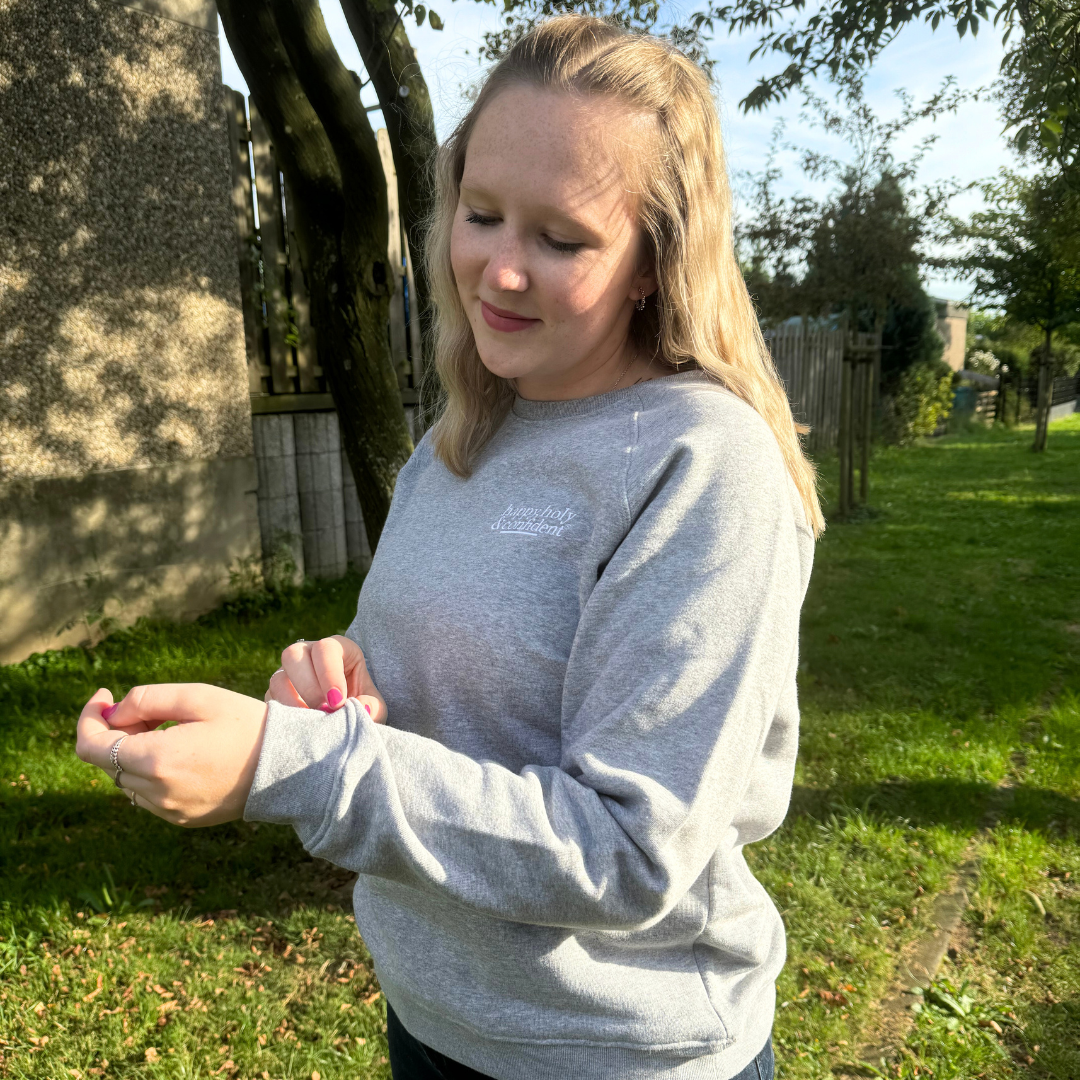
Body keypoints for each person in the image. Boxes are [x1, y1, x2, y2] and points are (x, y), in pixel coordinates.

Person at [76, 15, 823, 1079]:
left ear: (655, 261)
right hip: (432, 1019)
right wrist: (329, 686)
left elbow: (629, 851)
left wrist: (288, 767)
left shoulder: (706, 467)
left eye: (561, 239)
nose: (499, 271)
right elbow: (434, 707)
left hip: (614, 1055)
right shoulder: (460, 439)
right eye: (482, 214)